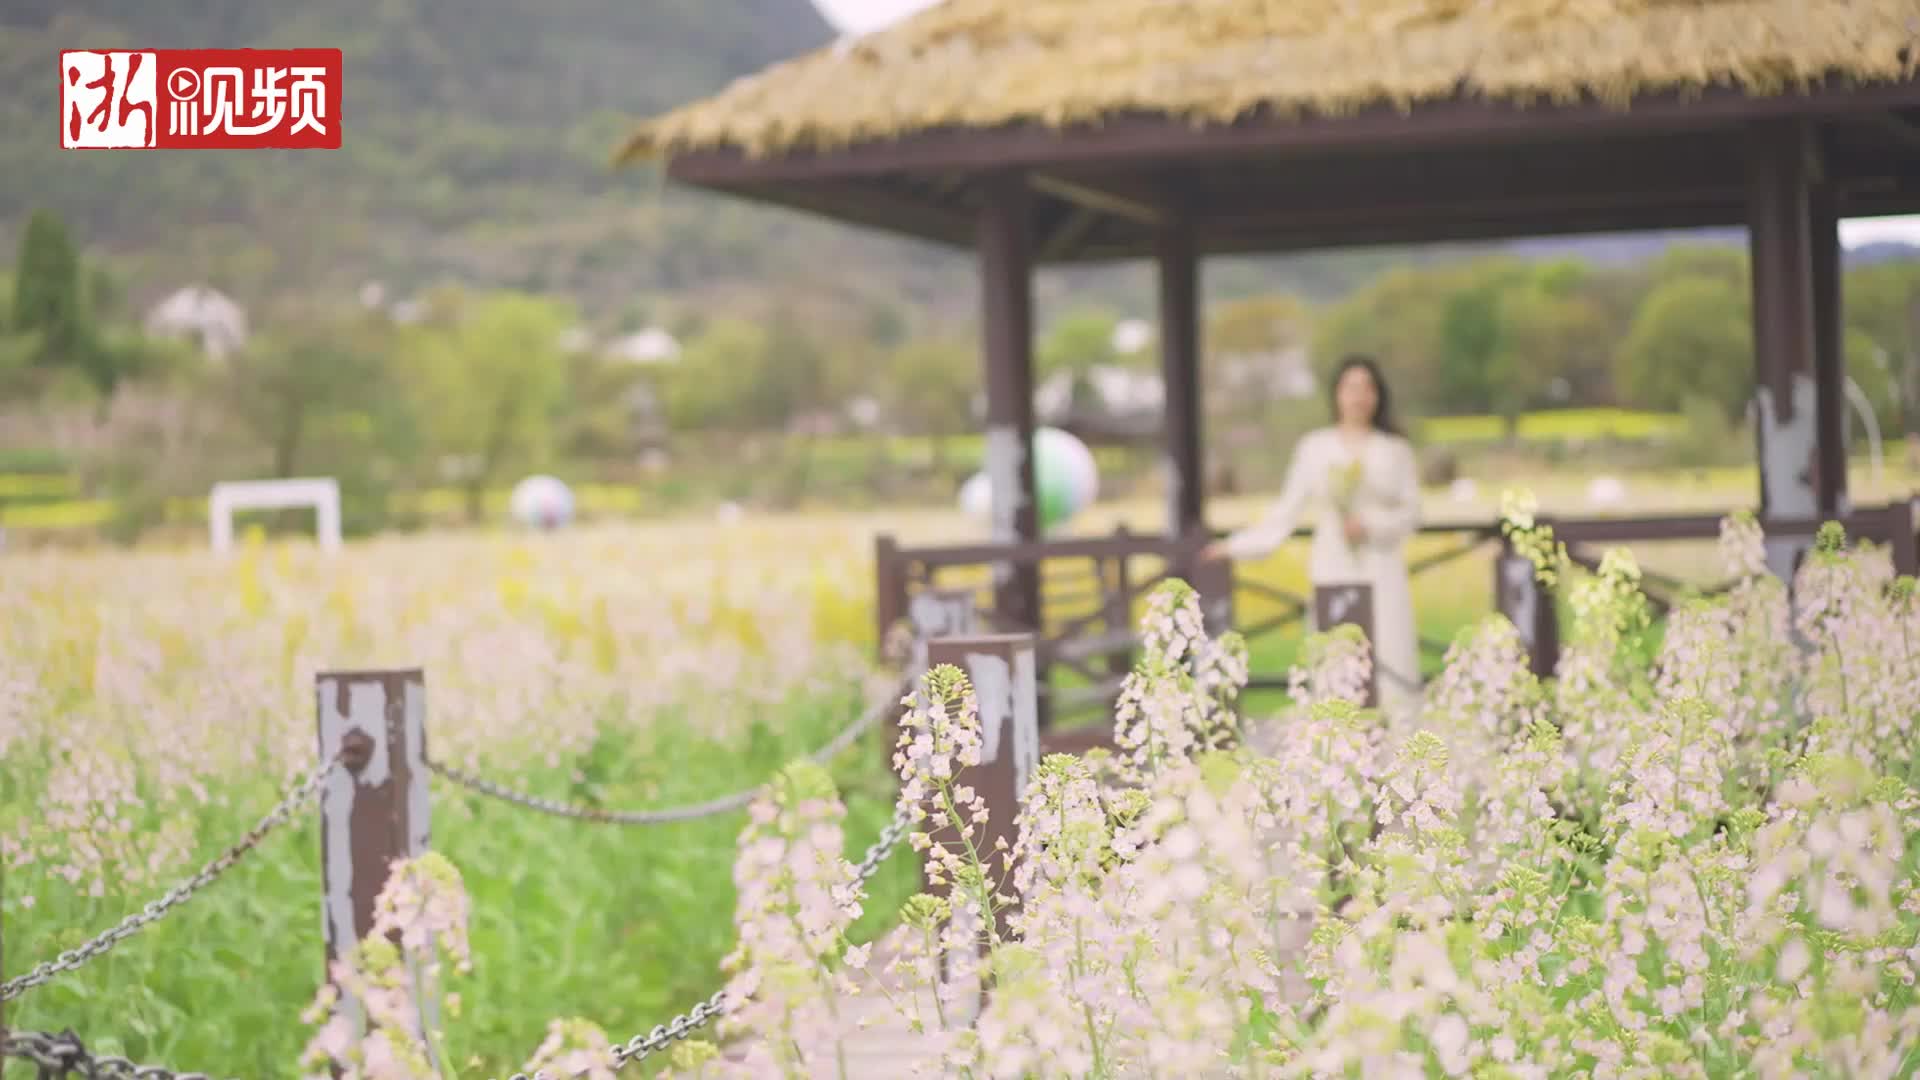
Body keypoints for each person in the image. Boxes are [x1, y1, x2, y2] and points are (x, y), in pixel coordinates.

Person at [1200, 355, 1423, 711]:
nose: (1359, 396)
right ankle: (1337, 754)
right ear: (1336, 394)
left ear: (1378, 395)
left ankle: (1398, 750)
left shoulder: (1394, 449)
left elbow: (1412, 512)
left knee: (1390, 655)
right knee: (1335, 662)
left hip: (1381, 565)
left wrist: (1371, 525)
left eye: (1368, 388)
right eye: (1351, 387)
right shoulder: (1315, 447)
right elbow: (1284, 512)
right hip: (1333, 563)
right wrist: (1234, 546)